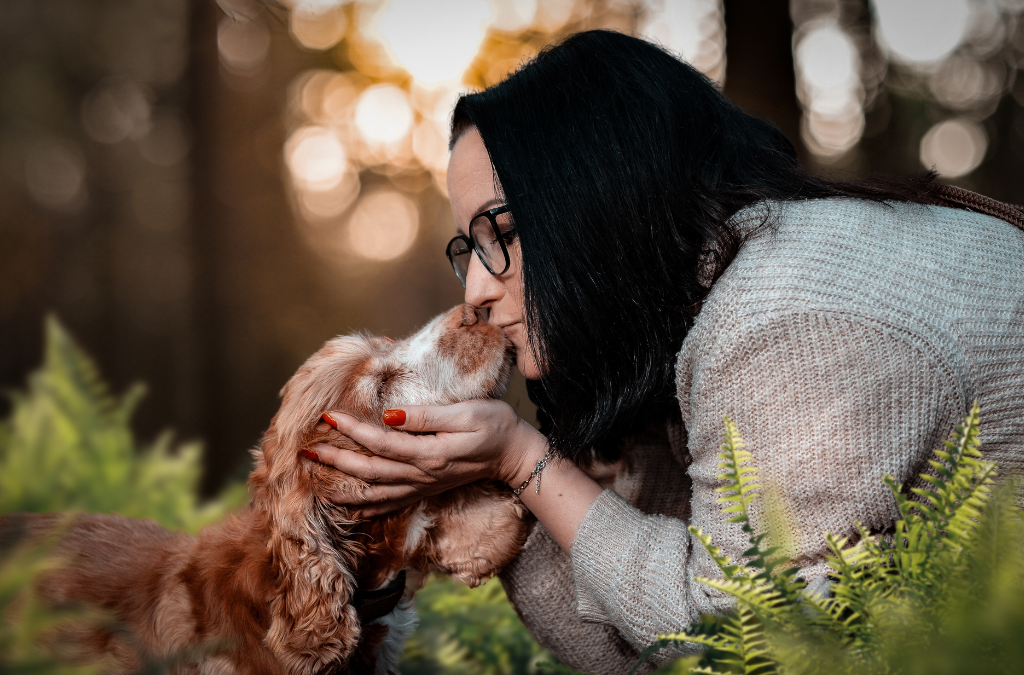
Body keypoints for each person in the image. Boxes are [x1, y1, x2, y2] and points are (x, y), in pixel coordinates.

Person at [312, 30, 1024, 673]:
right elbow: (632, 650)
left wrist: (519, 460)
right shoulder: (682, 317)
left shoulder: (784, 321)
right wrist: (504, 489)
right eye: (468, 247)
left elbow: (735, 640)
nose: (475, 286)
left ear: (593, 200)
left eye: (502, 231)